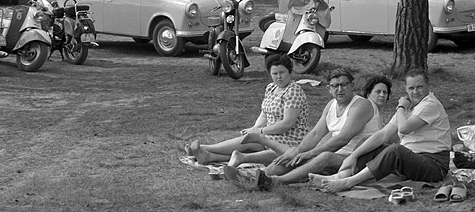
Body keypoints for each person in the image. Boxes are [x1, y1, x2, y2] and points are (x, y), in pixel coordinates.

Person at [224, 69, 385, 188]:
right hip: (340, 155)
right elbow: (315, 133)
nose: (339, 89)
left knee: (324, 157)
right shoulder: (331, 105)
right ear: (329, 89)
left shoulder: (361, 105)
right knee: (290, 157)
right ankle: (256, 178)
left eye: (344, 85)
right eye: (335, 86)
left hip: (361, 158)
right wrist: (299, 151)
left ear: (352, 86)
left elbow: (343, 138)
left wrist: (310, 153)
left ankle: (276, 182)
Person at [309, 69, 452, 193]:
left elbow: (404, 128)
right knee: (370, 145)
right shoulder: (409, 105)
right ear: (405, 88)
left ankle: (349, 182)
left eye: (419, 87)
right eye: (411, 88)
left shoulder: (429, 105)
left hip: (434, 165)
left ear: (428, 86)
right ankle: (339, 177)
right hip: (413, 160)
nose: (415, 92)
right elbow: (382, 134)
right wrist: (353, 155)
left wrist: (401, 107)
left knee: (396, 150)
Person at [188, 54, 308, 165]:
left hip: (291, 138)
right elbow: (264, 114)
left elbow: (286, 124)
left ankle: (205, 148)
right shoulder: (271, 87)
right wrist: (254, 128)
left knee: (252, 141)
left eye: (282, 72)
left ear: (289, 72)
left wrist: (260, 132)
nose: (278, 77)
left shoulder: (293, 91)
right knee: (250, 140)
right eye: (274, 74)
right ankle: (209, 156)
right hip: (272, 133)